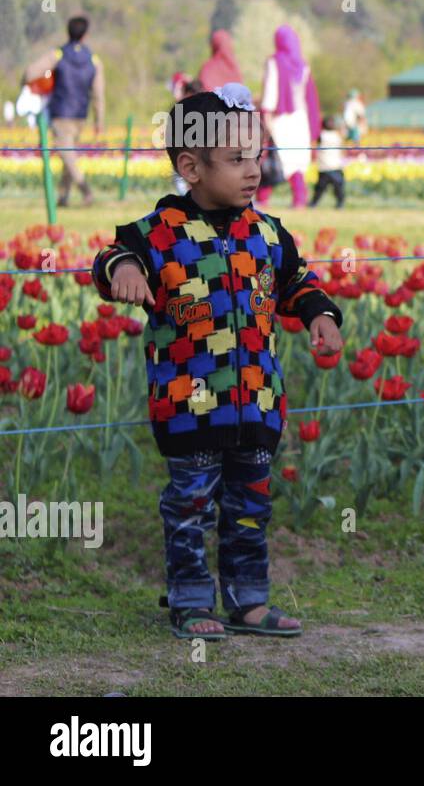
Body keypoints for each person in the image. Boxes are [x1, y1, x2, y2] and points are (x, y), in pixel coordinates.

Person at [90, 82, 344, 640]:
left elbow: (298, 281)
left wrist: (320, 314)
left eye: (256, 156)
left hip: (257, 403)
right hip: (189, 406)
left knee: (251, 507)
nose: (254, 169)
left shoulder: (268, 234)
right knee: (189, 509)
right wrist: (124, 271)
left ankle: (249, 601)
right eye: (236, 159)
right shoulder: (157, 236)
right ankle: (189, 600)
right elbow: (110, 255)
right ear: (192, 165)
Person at [25, 15, 105, 207]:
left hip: (61, 113)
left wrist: (36, 83)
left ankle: (84, 188)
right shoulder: (94, 60)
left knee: (67, 154)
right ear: (85, 35)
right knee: (68, 154)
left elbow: (30, 72)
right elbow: (98, 94)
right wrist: (99, 121)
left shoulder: (58, 55)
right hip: (80, 116)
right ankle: (63, 197)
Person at [258, 25, 319, 208]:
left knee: (274, 158)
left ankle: (262, 198)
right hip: (300, 119)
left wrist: (266, 113)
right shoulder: (303, 64)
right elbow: (309, 96)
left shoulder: (275, 62)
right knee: (296, 161)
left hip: (280, 118)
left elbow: (271, 90)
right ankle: (300, 199)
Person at [309, 115, 346, 208]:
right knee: (339, 189)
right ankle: (340, 204)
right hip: (336, 167)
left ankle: (313, 204)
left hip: (325, 168)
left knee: (320, 189)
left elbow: (313, 143)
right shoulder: (337, 135)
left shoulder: (321, 135)